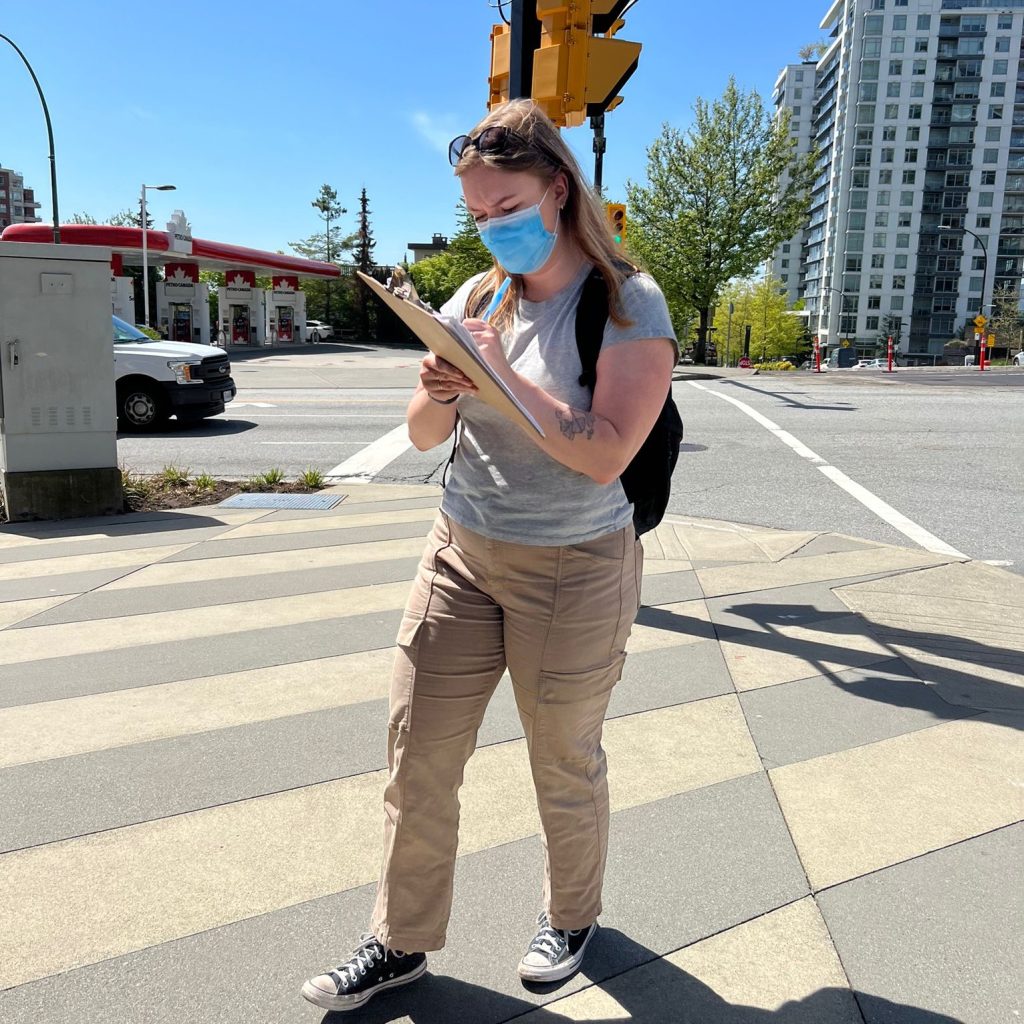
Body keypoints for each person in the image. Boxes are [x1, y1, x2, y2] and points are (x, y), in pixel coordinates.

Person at [301, 98, 678, 1014]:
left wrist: (497, 373)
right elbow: (426, 436)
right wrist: (440, 385)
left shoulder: (629, 302)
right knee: (416, 754)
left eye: (504, 207)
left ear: (557, 188)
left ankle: (572, 914)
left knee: (563, 756)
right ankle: (399, 939)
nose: (491, 228)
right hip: (461, 551)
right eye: (476, 215)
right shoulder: (478, 297)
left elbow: (602, 451)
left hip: (574, 563)